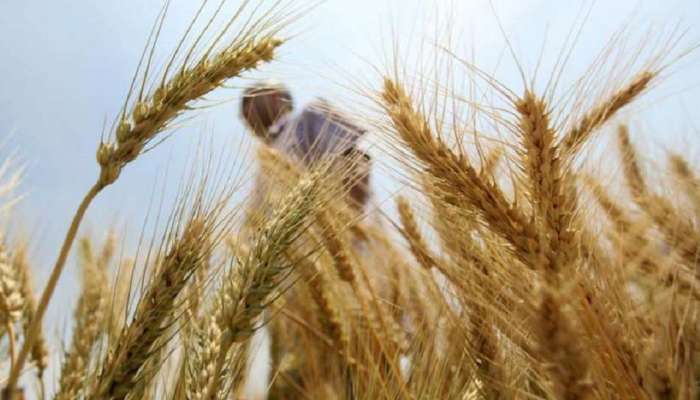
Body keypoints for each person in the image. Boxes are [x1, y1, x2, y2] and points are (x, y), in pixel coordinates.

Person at [240, 81, 371, 209]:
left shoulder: (310, 115)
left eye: (248, 100)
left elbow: (356, 160)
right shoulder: (264, 161)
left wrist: (349, 220)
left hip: (338, 226)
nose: (243, 113)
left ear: (274, 96)